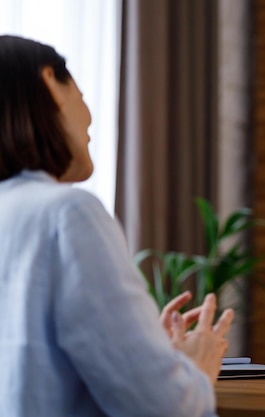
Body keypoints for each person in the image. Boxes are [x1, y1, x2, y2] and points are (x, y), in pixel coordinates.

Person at [0, 35, 234, 416]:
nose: (90, 116)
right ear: (49, 83)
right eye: (79, 92)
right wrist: (197, 366)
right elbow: (164, 407)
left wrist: (141, 346)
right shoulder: (69, 213)